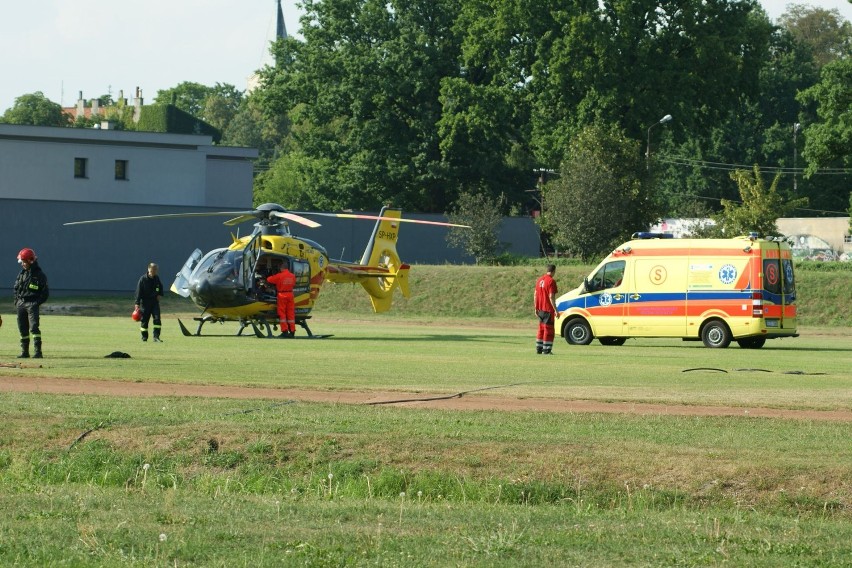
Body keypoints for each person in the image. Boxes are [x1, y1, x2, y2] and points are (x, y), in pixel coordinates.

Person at [14, 248, 49, 358]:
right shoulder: (22, 274)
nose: (22, 264)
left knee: (34, 328)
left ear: (30, 261)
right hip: (21, 304)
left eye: (24, 262)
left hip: (32, 304)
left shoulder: (40, 275)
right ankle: (25, 352)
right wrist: (17, 301)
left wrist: (36, 303)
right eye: (22, 262)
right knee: (22, 328)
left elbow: (45, 293)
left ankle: (38, 352)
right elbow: (15, 288)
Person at [135, 262, 164, 342]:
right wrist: (137, 303)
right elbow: (138, 292)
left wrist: (159, 294)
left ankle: (156, 337)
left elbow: (160, 287)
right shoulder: (143, 279)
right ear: (148, 269)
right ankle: (144, 337)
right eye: (152, 270)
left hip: (154, 303)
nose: (153, 272)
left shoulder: (157, 278)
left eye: (155, 270)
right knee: (144, 321)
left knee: (157, 319)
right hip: (145, 303)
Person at [534, 264, 559, 355]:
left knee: (541, 329)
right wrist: (556, 310)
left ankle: (539, 348)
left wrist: (536, 307)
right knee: (549, 330)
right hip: (548, 310)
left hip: (540, 309)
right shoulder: (551, 281)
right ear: (553, 271)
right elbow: (551, 296)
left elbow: (535, 295)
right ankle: (547, 350)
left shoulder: (539, 280)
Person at [266, 264, 296, 338]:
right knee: (290, 313)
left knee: (282, 313)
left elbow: (269, 279)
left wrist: (268, 276)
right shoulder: (292, 276)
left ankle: (285, 331)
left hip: (282, 295)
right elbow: (294, 284)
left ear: (281, 268)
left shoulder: (279, 275)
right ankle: (292, 331)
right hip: (290, 294)